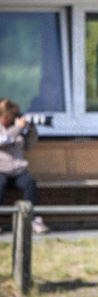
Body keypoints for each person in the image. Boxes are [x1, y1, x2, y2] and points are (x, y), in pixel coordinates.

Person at [0, 98, 49, 235]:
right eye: (6, 118)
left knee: (29, 183)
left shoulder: (17, 127)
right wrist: (18, 128)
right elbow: (3, 140)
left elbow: (28, 146)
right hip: (1, 171)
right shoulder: (13, 128)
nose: (9, 121)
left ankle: (34, 220)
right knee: (0, 184)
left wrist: (32, 129)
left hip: (18, 171)